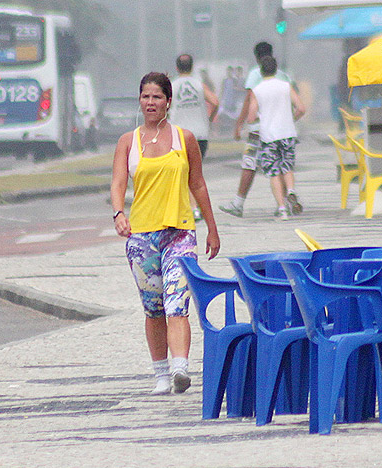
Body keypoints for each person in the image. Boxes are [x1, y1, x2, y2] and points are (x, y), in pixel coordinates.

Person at [110, 72, 220, 395]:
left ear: (169, 102)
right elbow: (117, 183)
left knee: (177, 302)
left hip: (180, 234)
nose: (151, 103)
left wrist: (212, 228)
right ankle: (160, 374)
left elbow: (197, 183)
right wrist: (119, 213)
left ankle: (180, 369)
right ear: (140, 101)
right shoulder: (128, 142)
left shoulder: (184, 139)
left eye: (157, 97)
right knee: (153, 307)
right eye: (145, 97)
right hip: (142, 238)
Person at [219, 41, 300, 218]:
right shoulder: (283, 75)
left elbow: (249, 100)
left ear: (256, 57)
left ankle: (239, 203)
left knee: (250, 164)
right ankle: (287, 200)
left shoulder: (256, 73)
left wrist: (239, 124)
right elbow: (296, 102)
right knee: (284, 165)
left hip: (260, 130)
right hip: (285, 129)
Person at [247, 56, 306, 220]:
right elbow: (301, 108)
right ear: (276, 68)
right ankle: (291, 191)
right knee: (287, 167)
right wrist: (291, 118)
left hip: (268, 136)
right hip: (287, 132)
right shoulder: (286, 86)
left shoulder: (257, 90)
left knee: (274, 172)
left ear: (261, 70)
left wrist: (262, 118)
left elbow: (251, 117)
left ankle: (281, 208)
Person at [169, 54, 219, 221]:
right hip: (200, 134)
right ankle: (197, 207)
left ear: (177, 68)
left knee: (184, 173)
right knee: (195, 173)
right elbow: (215, 102)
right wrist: (209, 119)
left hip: (179, 134)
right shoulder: (199, 85)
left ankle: (194, 208)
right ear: (192, 67)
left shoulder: (172, 86)